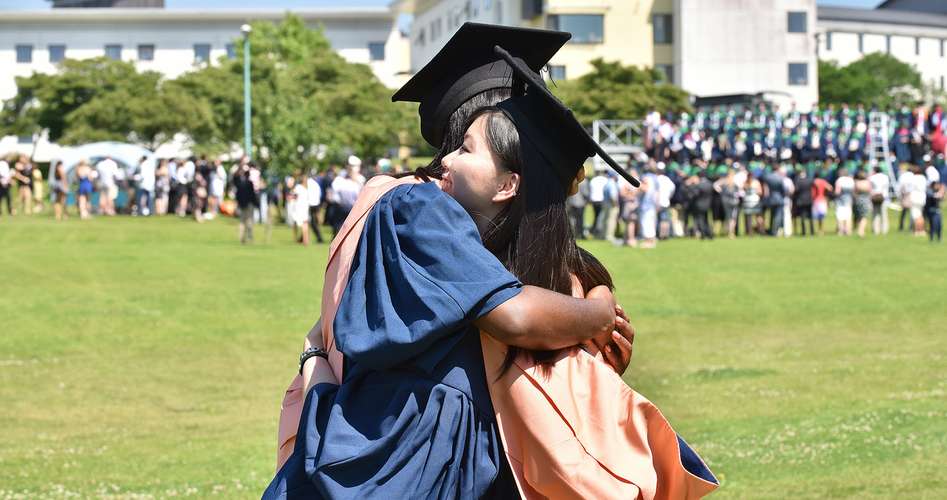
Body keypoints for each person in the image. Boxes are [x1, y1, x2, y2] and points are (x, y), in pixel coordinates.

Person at [269, 24, 712, 499]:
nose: (445, 163)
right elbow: (517, 318)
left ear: (509, 185)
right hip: (395, 467)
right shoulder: (415, 207)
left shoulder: (441, 228)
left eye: (466, 148)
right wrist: (596, 314)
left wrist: (590, 315)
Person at [233, 163, 257, 244]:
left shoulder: (240, 184)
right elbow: (252, 195)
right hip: (249, 204)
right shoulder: (249, 183)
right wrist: (256, 203)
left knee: (242, 221)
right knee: (249, 221)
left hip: (242, 204)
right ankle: (249, 237)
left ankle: (242, 238)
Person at [714, 167, 741, 238]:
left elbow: (715, 185)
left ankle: (728, 231)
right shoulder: (735, 182)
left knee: (728, 217)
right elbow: (740, 192)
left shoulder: (724, 181)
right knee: (733, 218)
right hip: (733, 202)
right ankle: (731, 232)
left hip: (725, 201)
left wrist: (720, 191)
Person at [792, 168, 814, 236]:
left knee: (802, 217)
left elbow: (796, 190)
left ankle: (804, 231)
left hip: (801, 200)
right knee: (810, 217)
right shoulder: (809, 180)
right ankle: (811, 231)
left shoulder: (798, 181)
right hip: (809, 200)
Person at [868, 165, 890, 235]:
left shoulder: (872, 177)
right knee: (884, 214)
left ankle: (876, 230)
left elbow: (870, 186)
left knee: (875, 213)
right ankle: (884, 230)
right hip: (884, 196)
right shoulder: (885, 177)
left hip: (874, 195)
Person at [306, 169, 325, 244]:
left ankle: (319, 238)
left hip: (310, 204)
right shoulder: (316, 183)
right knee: (313, 222)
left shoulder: (307, 183)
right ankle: (303, 237)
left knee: (312, 222)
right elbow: (320, 194)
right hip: (316, 204)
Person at [834, 168, 854, 236]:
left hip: (840, 200)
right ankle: (848, 230)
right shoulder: (850, 180)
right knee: (848, 215)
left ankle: (841, 230)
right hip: (849, 199)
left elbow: (837, 192)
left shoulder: (839, 180)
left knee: (840, 215)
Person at [853, 170, 873, 238]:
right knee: (864, 217)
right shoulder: (868, 183)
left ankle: (858, 229)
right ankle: (861, 231)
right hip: (866, 200)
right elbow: (870, 192)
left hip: (858, 200)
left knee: (859, 216)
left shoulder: (857, 183)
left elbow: (854, 193)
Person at [811, 172, 832, 236]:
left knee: (815, 216)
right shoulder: (823, 181)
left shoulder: (813, 181)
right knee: (822, 216)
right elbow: (830, 188)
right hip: (822, 200)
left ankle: (816, 230)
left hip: (815, 200)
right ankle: (821, 230)